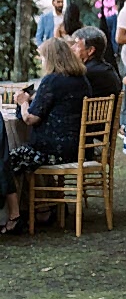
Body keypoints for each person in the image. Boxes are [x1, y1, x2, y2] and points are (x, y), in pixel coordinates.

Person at [1, 38, 92, 236]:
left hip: (54, 149)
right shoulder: (81, 79)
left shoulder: (52, 80)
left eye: (42, 57)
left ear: (49, 58)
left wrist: (23, 101)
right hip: (78, 147)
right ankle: (43, 208)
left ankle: (16, 215)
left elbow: (30, 118)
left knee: (9, 161)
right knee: (22, 156)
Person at [71, 26, 122, 98]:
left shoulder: (85, 74)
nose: (72, 48)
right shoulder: (109, 70)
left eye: (77, 45)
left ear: (90, 50)